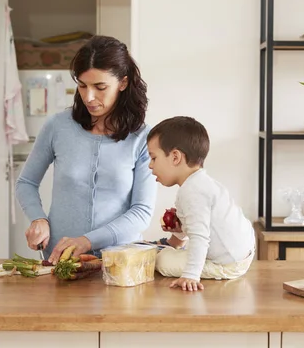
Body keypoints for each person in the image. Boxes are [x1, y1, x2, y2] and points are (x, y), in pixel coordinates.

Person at [15, 35, 157, 264]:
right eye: (82, 86)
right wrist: (38, 218)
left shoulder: (142, 138)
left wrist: (86, 241)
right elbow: (26, 183)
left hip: (119, 262)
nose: (89, 97)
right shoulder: (58, 126)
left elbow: (141, 212)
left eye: (100, 87)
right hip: (62, 259)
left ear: (123, 83)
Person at [146, 116, 256, 292]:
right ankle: (171, 246)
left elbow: (199, 236)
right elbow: (202, 224)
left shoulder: (192, 191)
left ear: (175, 157)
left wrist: (190, 275)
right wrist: (178, 234)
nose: (150, 166)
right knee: (173, 251)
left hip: (228, 263)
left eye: (153, 158)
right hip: (240, 252)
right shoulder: (200, 183)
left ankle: (169, 252)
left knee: (162, 260)